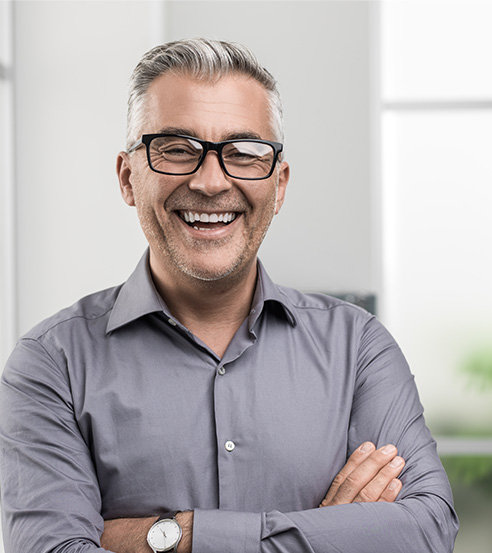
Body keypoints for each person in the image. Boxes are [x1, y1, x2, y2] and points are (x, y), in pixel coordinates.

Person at [0, 38, 458, 553]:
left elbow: (427, 532)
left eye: (243, 153)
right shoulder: (51, 363)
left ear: (279, 185)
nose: (212, 181)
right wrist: (327, 533)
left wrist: (175, 536)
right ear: (128, 178)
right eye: (176, 149)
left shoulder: (359, 348)